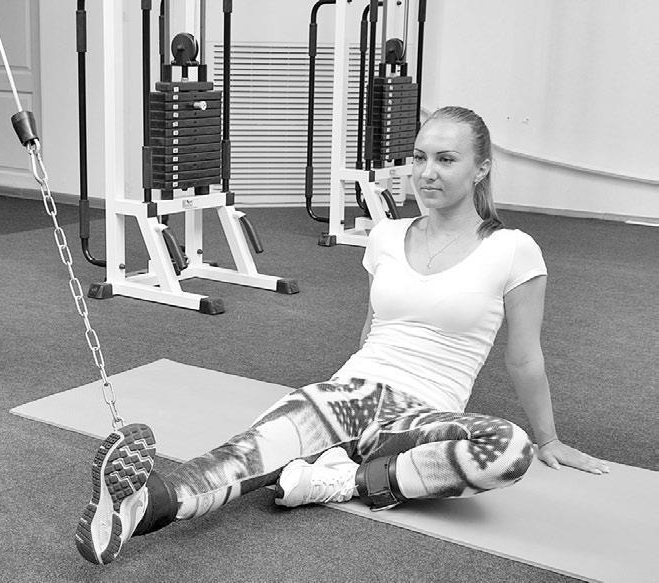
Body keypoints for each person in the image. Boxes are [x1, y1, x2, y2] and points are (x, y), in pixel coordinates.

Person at [74, 106, 610, 566]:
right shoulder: (387, 235)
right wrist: (320, 406)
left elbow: (525, 358)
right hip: (350, 394)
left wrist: (548, 439)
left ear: (481, 168)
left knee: (508, 449)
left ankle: (343, 479)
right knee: (246, 457)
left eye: (446, 160)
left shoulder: (513, 248)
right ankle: (140, 507)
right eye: (419, 157)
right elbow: (373, 331)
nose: (427, 173)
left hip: (420, 416)